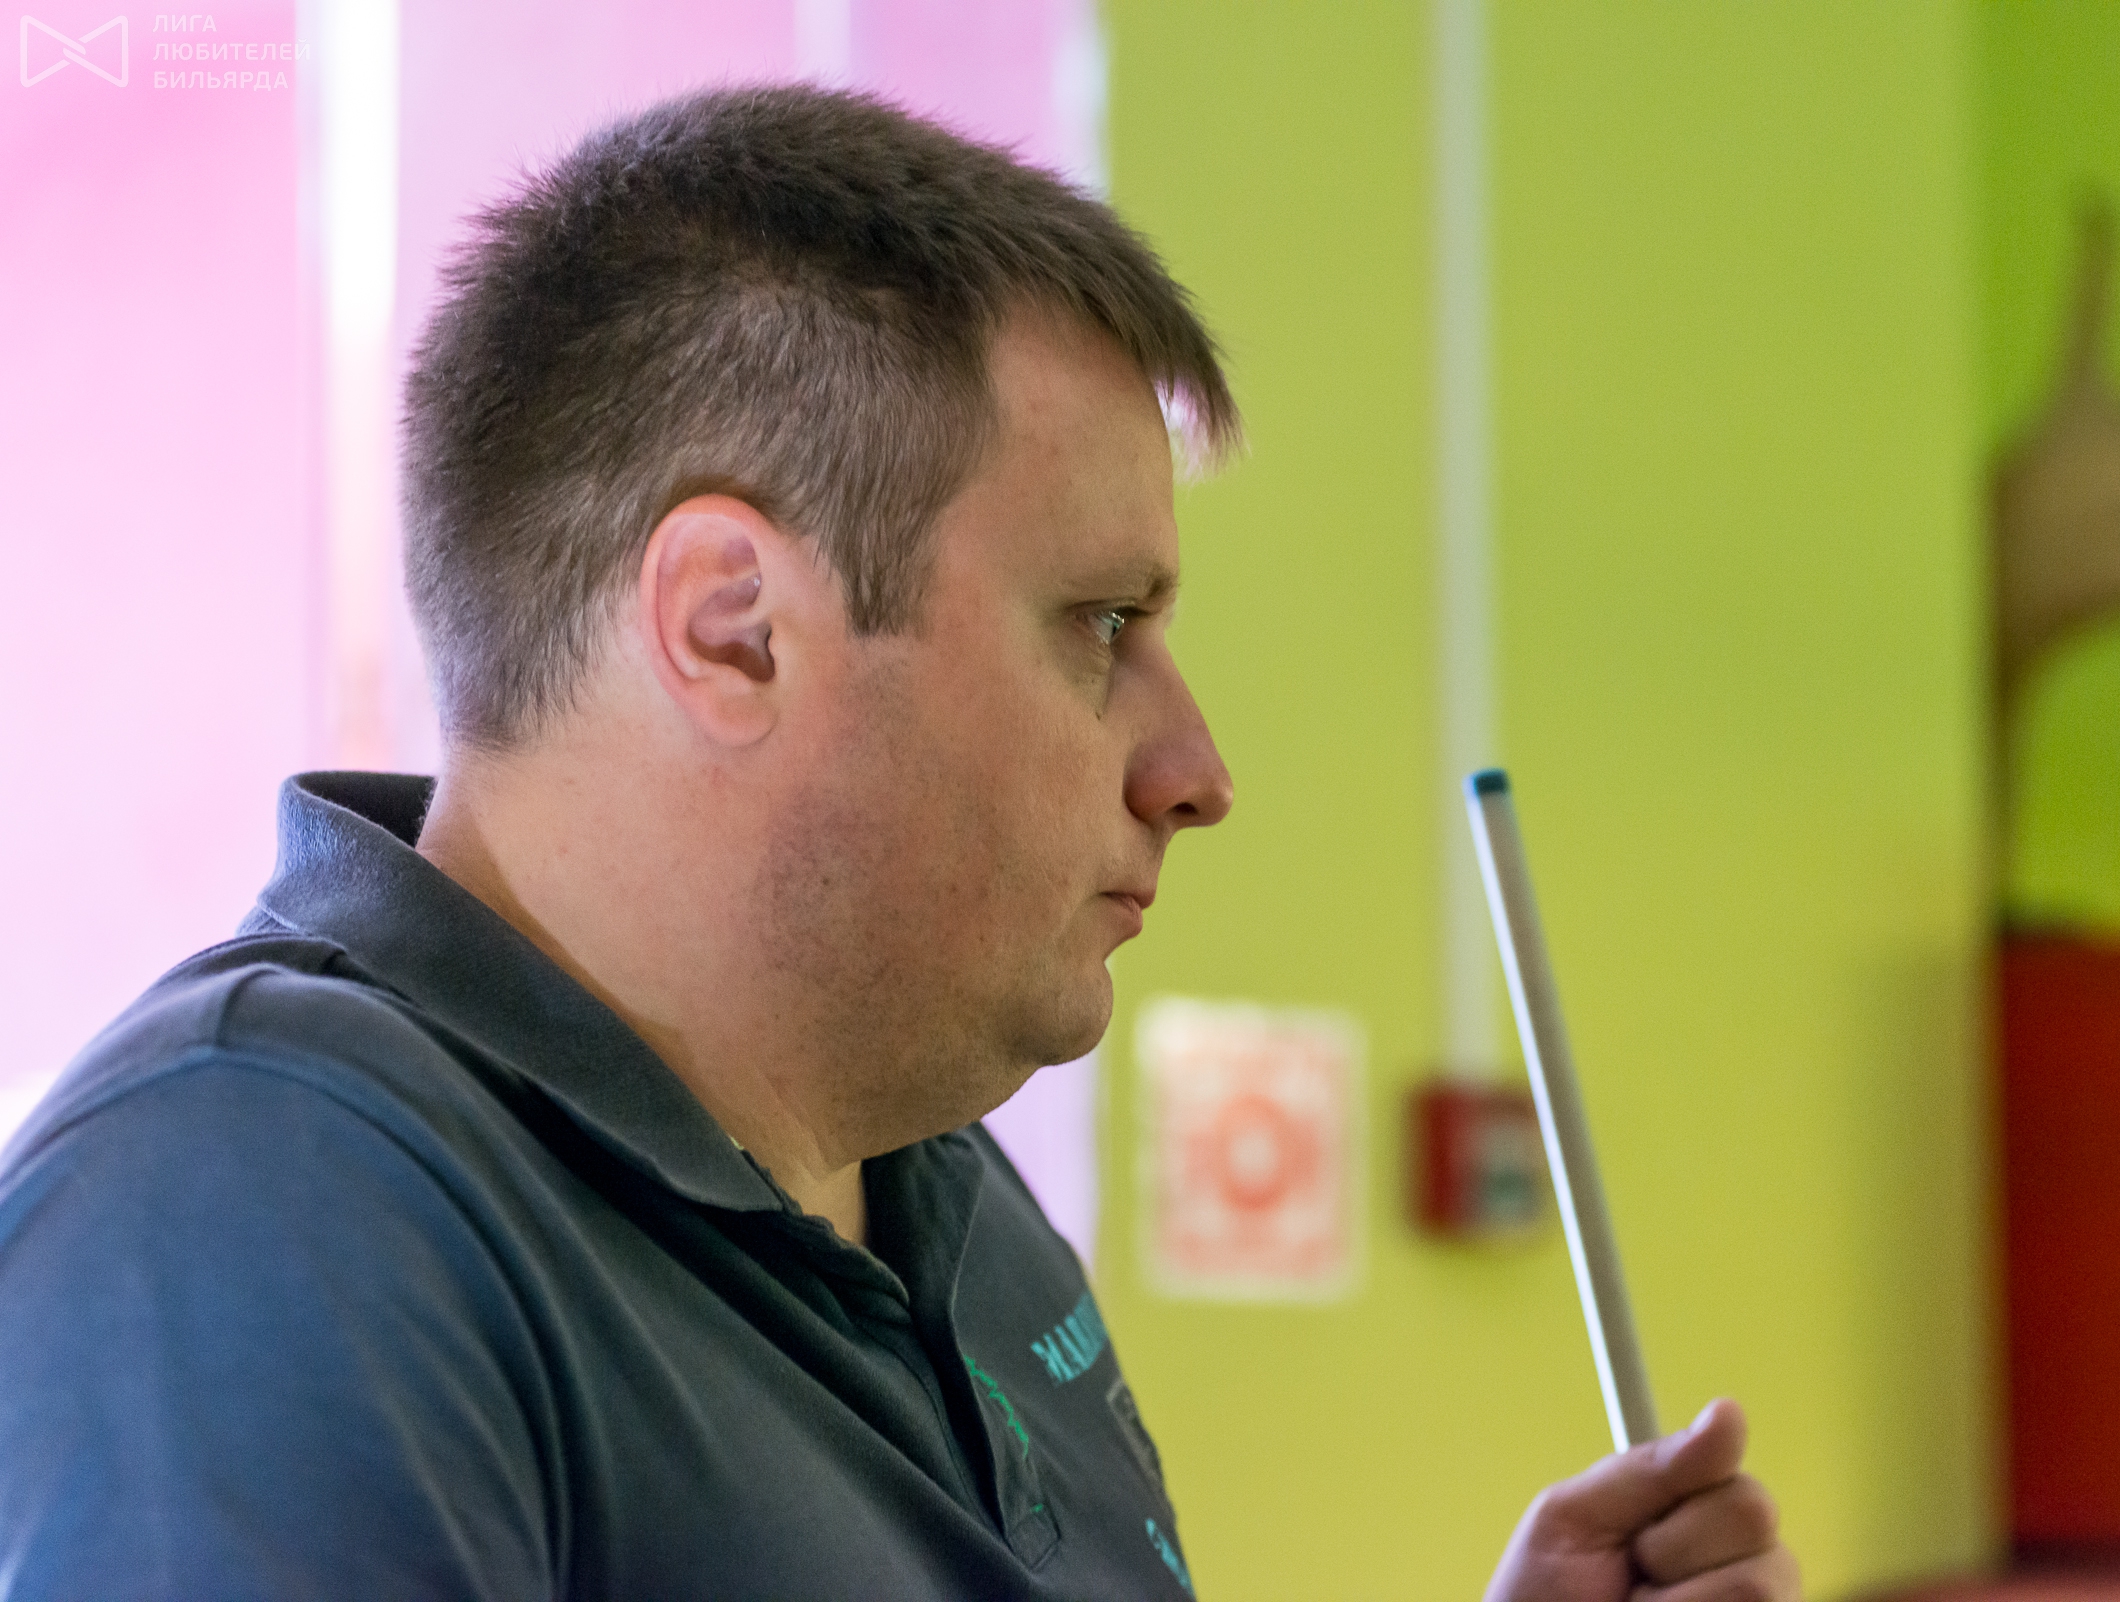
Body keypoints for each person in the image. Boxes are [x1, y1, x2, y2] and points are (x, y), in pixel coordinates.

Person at [0, 85, 1798, 1601]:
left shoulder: (944, 1189)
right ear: (734, 628)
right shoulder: (264, 1209)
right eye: (1101, 624)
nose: (1195, 771)